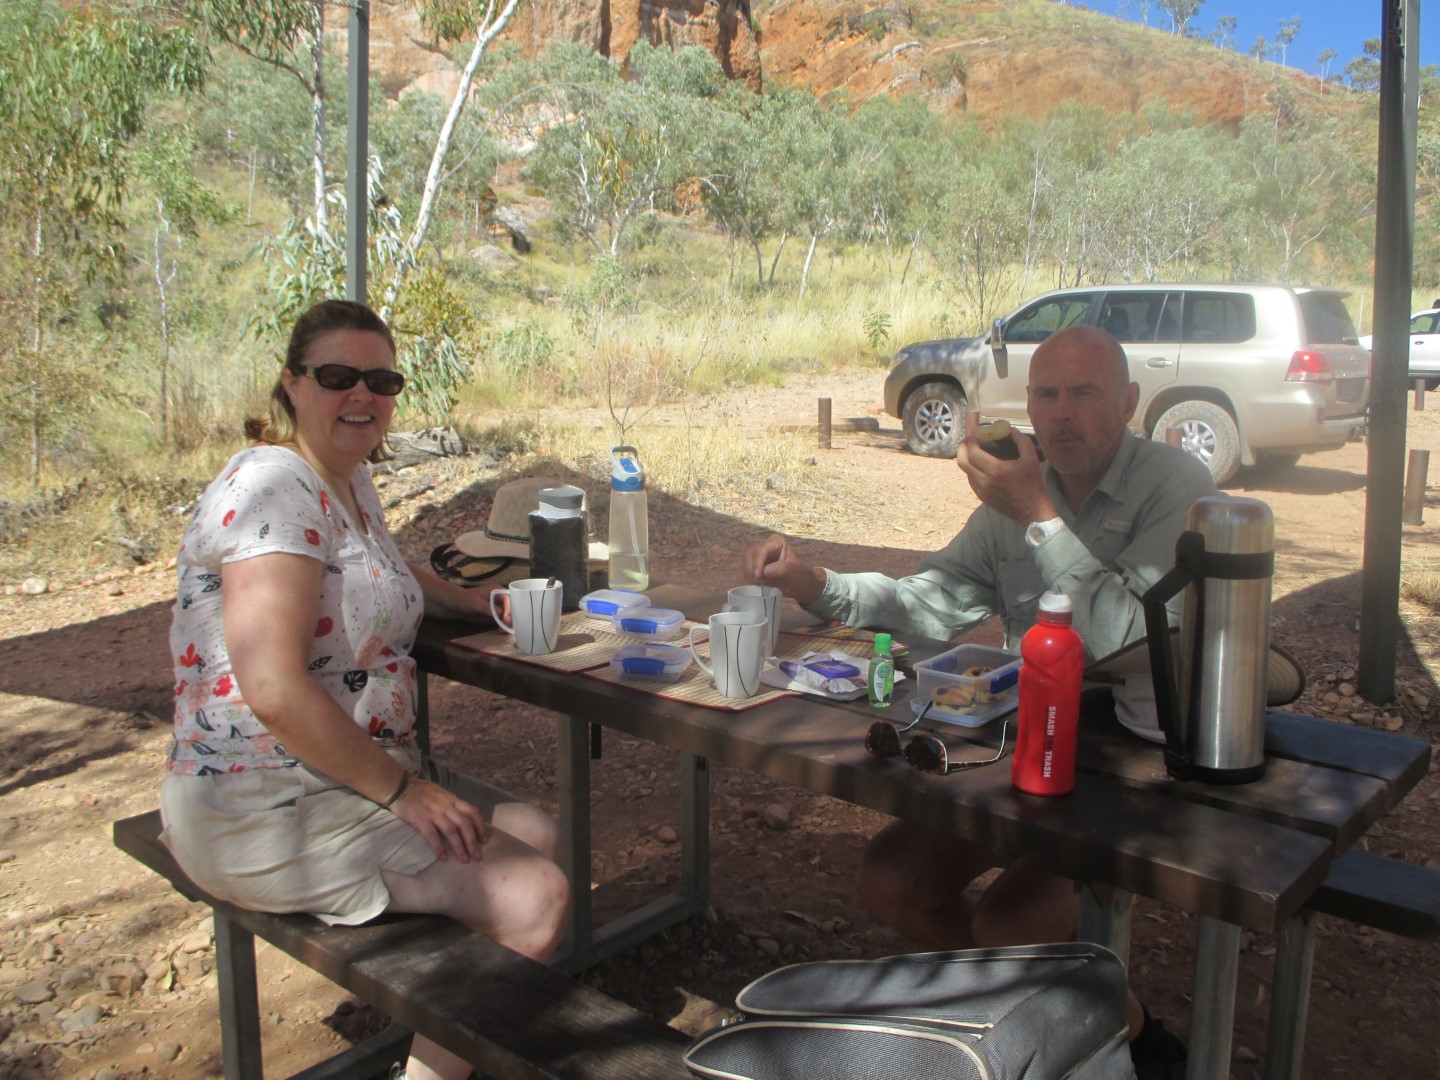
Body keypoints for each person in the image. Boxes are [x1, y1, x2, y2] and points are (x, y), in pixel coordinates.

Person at [743, 324, 1215, 1079]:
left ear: (1129, 402)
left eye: (1084, 393)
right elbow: (932, 599)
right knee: (893, 882)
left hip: (1139, 760)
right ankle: (1043, 1028)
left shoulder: (1175, 488)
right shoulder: (1019, 493)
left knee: (1011, 923)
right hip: (1026, 742)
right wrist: (816, 584)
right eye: (1047, 394)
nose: (1062, 413)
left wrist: (1038, 515)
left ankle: (1133, 1045)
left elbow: (1127, 636)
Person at [160, 299, 569, 1080]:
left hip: (330, 781)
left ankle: (442, 1020)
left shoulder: (344, 481)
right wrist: (403, 793)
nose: (362, 396)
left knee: (537, 833)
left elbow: (378, 566)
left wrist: (475, 602)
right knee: (535, 894)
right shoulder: (273, 486)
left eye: (381, 381)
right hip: (259, 801)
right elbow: (273, 687)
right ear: (292, 383)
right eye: (338, 376)